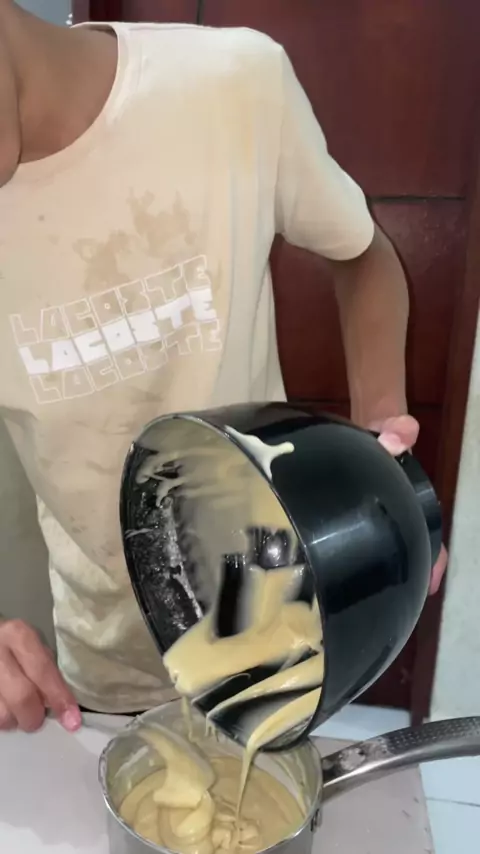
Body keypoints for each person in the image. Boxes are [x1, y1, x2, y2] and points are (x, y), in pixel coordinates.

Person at [0, 2, 447, 734]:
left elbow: (362, 256)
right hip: (105, 661)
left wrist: (383, 451)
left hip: (276, 618)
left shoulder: (233, 86)